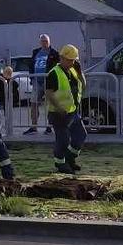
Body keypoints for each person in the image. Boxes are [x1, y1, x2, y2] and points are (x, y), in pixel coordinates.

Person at [45, 44, 87, 174]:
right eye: (70, 60)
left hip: (72, 111)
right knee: (63, 139)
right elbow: (48, 93)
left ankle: (70, 159)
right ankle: (60, 164)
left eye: (74, 60)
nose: (72, 62)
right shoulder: (53, 73)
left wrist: (80, 73)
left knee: (80, 135)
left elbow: (83, 86)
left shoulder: (74, 71)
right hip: (58, 114)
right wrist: (59, 107)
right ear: (61, 58)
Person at [25, 34, 61, 135]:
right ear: (40, 42)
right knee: (34, 103)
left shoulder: (54, 53)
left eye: (46, 41)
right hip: (37, 80)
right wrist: (31, 77)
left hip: (48, 81)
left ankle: (49, 127)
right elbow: (31, 65)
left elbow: (57, 67)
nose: (44, 43)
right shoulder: (36, 52)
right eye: (42, 41)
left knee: (49, 105)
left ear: (49, 42)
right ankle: (34, 127)